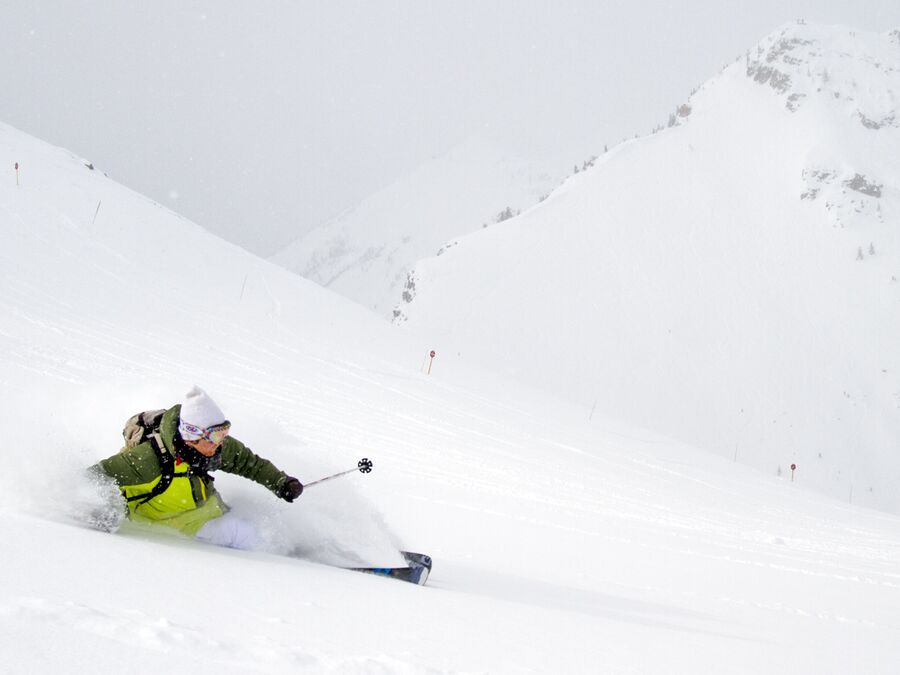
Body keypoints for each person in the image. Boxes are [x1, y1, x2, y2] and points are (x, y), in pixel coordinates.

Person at [92, 386, 304, 549]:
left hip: (206, 514)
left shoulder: (216, 447)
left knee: (260, 540)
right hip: (167, 526)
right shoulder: (147, 460)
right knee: (250, 543)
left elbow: (251, 464)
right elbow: (92, 478)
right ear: (192, 435)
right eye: (215, 434)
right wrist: (102, 510)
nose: (220, 441)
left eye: (224, 432)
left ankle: (307, 557)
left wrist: (281, 482)